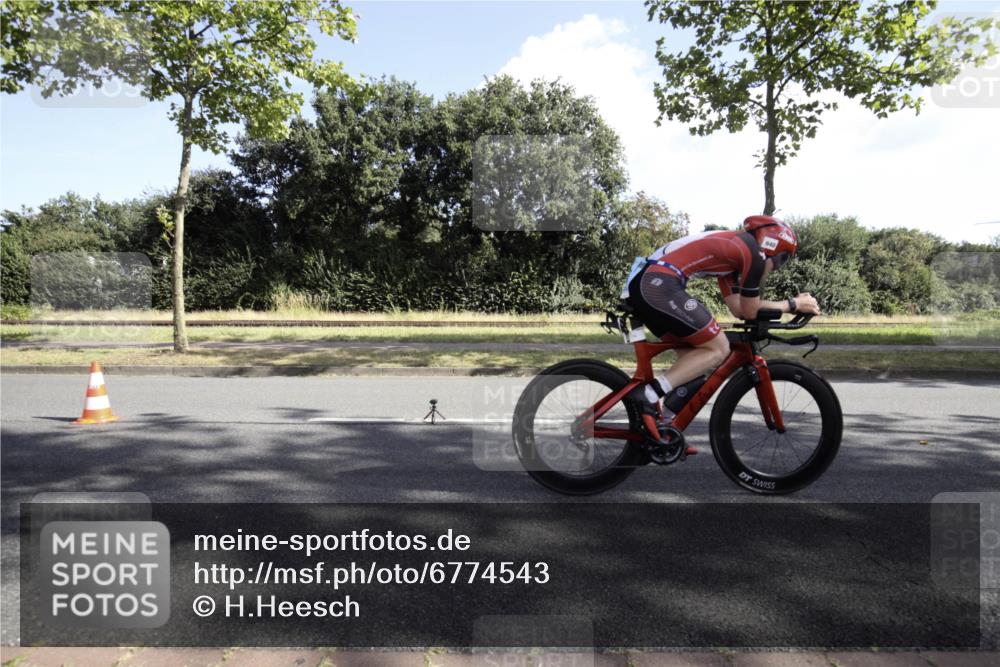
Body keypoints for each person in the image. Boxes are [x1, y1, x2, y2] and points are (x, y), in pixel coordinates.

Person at [624, 215, 821, 417]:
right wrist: (793, 304)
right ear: (771, 245)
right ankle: (647, 395)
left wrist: (789, 306)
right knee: (719, 348)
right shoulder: (753, 253)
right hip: (658, 284)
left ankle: (663, 431)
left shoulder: (735, 254)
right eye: (782, 259)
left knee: (695, 365)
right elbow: (751, 310)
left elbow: (740, 308)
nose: (778, 267)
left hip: (648, 282)